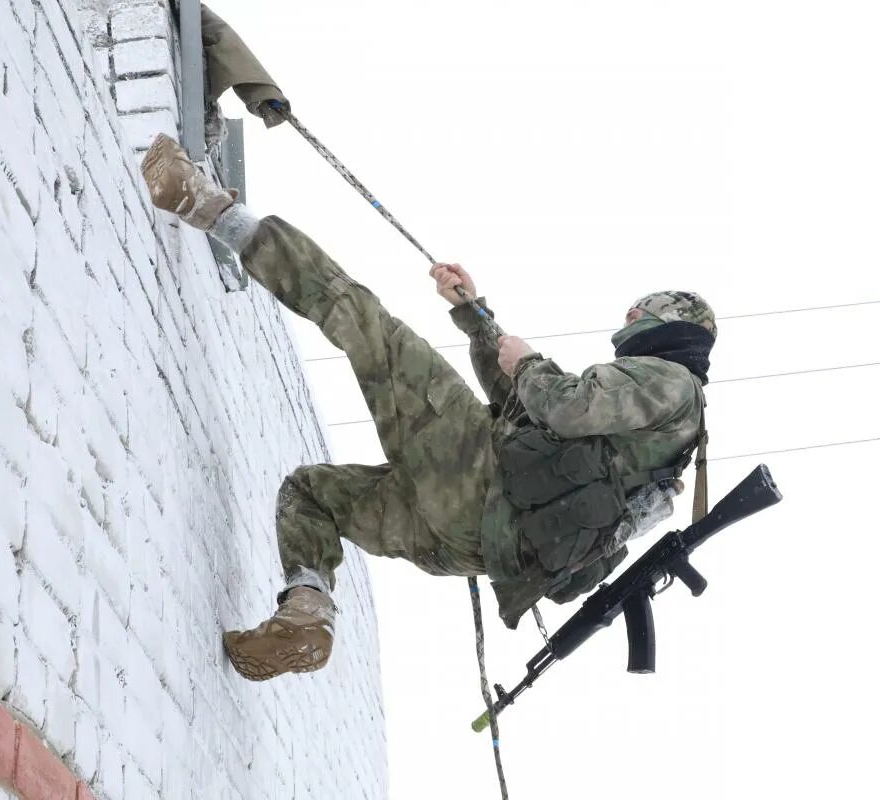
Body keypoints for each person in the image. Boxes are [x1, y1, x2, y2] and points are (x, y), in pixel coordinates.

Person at [140, 134, 718, 681]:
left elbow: (558, 407)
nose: (625, 329)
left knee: (365, 321)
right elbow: (529, 413)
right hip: (467, 546)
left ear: (670, 323)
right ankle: (307, 608)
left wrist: (529, 361)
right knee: (311, 494)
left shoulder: (673, 382)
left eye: (637, 318)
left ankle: (202, 203)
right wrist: (474, 315)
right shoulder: (661, 448)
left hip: (480, 476)